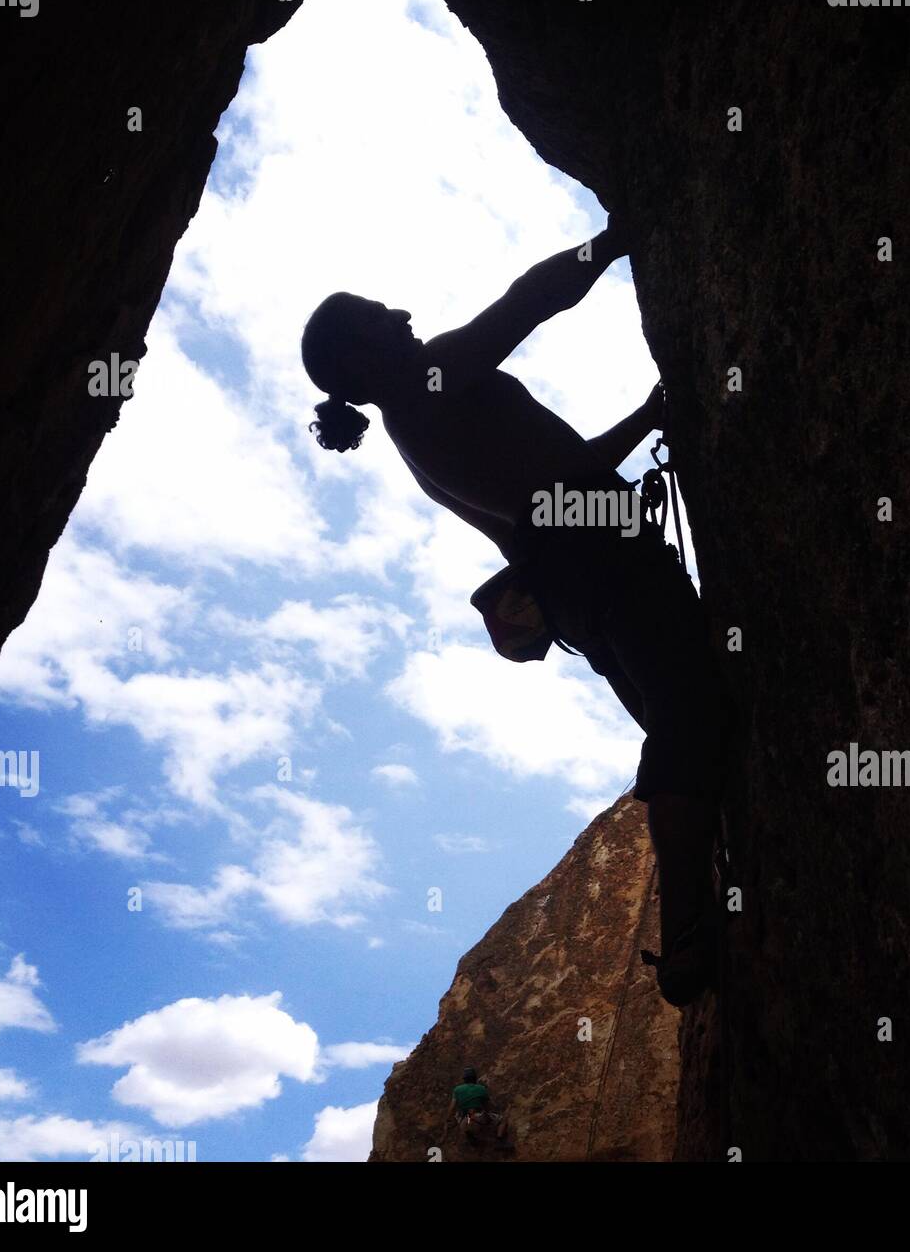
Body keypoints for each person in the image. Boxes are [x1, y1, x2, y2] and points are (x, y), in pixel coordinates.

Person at [300, 218, 732, 1004]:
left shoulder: (417, 429)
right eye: (375, 315)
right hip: (605, 564)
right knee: (688, 716)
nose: (397, 313)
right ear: (360, 361)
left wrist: (644, 418)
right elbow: (526, 304)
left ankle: (702, 909)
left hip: (577, 583)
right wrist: (618, 235)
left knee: (687, 722)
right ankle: (692, 935)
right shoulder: (426, 382)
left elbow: (558, 487)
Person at [449, 1066, 507, 1145]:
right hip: (478, 1116)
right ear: (475, 1078)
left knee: (459, 1116)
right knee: (502, 1120)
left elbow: (452, 1107)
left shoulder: (457, 1089)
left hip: (467, 1118)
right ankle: (500, 1141)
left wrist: (448, 1118)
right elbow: (488, 1106)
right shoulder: (482, 1088)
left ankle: (468, 1133)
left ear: (464, 1079)